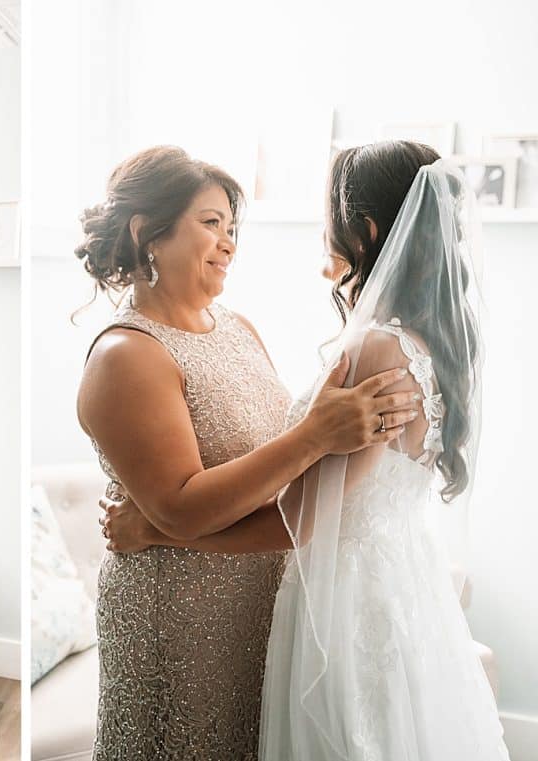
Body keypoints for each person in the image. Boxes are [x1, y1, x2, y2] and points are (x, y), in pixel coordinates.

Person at [102, 142, 510, 760]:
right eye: (212, 223)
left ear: (366, 230)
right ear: (146, 234)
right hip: (346, 595)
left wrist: (156, 531)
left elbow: (303, 514)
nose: (231, 242)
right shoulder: (430, 343)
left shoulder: (369, 347)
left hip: (344, 602)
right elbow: (294, 469)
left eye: (232, 226)